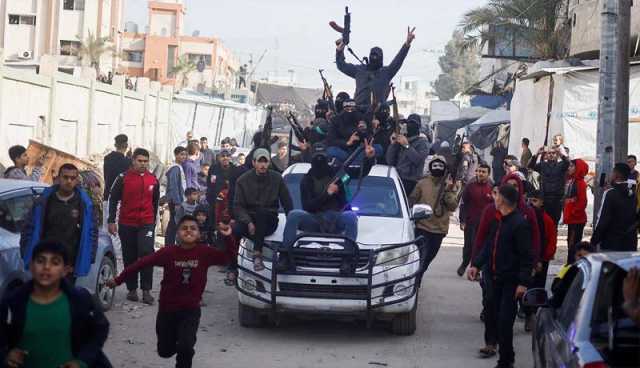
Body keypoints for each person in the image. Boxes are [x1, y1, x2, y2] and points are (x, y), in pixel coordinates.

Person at [106, 215, 229, 368]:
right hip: (167, 310)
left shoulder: (205, 253)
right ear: (177, 233)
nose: (188, 231)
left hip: (190, 310)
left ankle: (185, 352)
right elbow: (141, 264)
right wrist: (118, 280)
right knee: (164, 351)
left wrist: (229, 238)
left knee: (186, 347)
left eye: (193, 228)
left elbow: (227, 258)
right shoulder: (168, 253)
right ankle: (179, 346)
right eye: (184, 228)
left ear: (199, 234)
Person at [1, 241, 111, 368]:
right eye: (40, 261)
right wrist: (6, 354)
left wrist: (82, 361)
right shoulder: (13, 303)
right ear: (31, 266)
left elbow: (100, 329)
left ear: (65, 270)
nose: (46, 267)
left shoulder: (80, 301)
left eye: (55, 262)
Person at [281, 143, 376, 273]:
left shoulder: (338, 174)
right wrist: (328, 193)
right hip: (314, 219)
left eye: (323, 160)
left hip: (336, 218)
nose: (321, 165)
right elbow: (308, 206)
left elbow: (358, 173)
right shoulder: (306, 180)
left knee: (351, 217)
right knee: (293, 214)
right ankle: (285, 256)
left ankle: (347, 259)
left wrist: (369, 159)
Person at [468, 184, 533, 368]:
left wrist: (523, 282)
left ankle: (506, 360)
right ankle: (491, 344)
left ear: (503, 199)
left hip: (511, 282)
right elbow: (489, 246)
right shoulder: (499, 221)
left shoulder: (519, 224)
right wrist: (476, 265)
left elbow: (526, 257)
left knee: (505, 322)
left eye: (496, 196)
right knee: (491, 313)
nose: (493, 198)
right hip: (493, 277)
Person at [20, 164, 99, 283]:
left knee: (64, 298)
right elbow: (29, 228)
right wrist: (26, 251)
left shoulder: (84, 204)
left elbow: (92, 231)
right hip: (46, 261)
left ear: (77, 180)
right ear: (58, 178)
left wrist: (89, 257)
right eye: (65, 177)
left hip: (69, 264)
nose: (69, 181)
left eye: (72, 178)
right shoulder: (44, 201)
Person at [107, 148, 160, 305]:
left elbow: (155, 201)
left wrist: (153, 221)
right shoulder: (123, 178)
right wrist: (111, 220)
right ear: (133, 161)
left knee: (146, 253)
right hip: (127, 223)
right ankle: (132, 290)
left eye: (145, 161)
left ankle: (146, 290)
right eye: (140, 161)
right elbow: (113, 199)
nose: (143, 164)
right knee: (129, 256)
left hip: (146, 223)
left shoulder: (153, 180)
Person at [233, 149, 293, 271]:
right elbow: (238, 206)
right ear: (254, 163)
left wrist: (293, 222)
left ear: (269, 163)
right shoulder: (243, 180)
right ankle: (232, 266)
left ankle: (257, 255)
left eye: (265, 162)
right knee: (234, 230)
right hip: (249, 220)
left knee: (262, 212)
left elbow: (287, 203)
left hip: (269, 220)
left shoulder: (277, 178)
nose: (263, 165)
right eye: (260, 162)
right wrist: (248, 222)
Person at [335, 27, 415, 111]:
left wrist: (407, 44)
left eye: (376, 56)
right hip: (358, 112)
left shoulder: (386, 72)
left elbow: (398, 60)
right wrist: (340, 49)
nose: (374, 58)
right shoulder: (360, 70)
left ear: (381, 58)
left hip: (377, 113)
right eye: (372, 55)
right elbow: (341, 65)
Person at [409, 155, 460, 274]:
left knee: (428, 259)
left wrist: (448, 190)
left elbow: (452, 206)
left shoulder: (449, 185)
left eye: (441, 166)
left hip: (439, 229)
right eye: (435, 165)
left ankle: (419, 275)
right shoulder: (422, 183)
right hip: (422, 227)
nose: (438, 168)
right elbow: (412, 201)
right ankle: (416, 280)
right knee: (420, 257)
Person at [525, 190, 557, 332]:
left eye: (535, 201)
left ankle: (532, 314)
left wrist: (544, 258)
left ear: (542, 202)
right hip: (527, 258)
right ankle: (527, 311)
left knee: (537, 288)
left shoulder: (547, 220)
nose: (531, 204)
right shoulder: (526, 217)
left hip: (541, 260)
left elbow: (551, 241)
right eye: (530, 200)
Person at [591, 163, 638, 252]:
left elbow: (602, 220)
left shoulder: (610, 194)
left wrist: (593, 241)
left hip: (611, 243)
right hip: (630, 242)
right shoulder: (633, 194)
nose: (611, 175)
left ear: (617, 175)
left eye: (613, 172)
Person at [457, 164, 493, 277]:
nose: (480, 174)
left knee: (480, 246)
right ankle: (464, 263)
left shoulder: (492, 188)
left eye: (483, 172)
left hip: (485, 224)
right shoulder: (470, 186)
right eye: (479, 171)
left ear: (488, 174)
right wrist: (462, 220)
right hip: (471, 222)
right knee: (468, 245)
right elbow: (463, 204)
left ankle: (475, 269)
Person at [386, 117, 430, 195]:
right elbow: (389, 160)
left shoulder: (423, 142)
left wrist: (406, 146)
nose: (409, 126)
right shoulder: (401, 139)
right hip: (397, 178)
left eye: (412, 124)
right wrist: (393, 144)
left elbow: (418, 160)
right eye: (408, 124)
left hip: (412, 181)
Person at [528, 146, 570, 224]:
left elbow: (568, 163)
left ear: (557, 154)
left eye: (553, 153)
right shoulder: (542, 165)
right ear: (546, 155)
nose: (551, 155)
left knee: (554, 223)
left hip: (557, 200)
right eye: (549, 153)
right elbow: (530, 166)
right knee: (544, 223)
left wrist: (561, 154)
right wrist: (537, 154)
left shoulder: (561, 165)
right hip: (545, 199)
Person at [563, 159, 588, 264]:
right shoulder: (571, 180)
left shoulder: (580, 183)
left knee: (573, 244)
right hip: (571, 217)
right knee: (570, 242)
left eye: (572, 166)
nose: (569, 168)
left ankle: (572, 265)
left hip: (577, 219)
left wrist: (573, 211)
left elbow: (583, 201)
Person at [206, 149, 236, 224]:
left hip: (229, 202)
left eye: (227, 156)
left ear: (230, 157)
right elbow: (210, 184)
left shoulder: (235, 169)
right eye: (223, 156)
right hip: (215, 201)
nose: (225, 158)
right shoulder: (213, 168)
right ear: (219, 157)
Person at [165, 146, 188, 246]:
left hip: (179, 200)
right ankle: (169, 245)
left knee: (174, 224)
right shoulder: (175, 168)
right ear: (176, 155)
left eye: (185, 154)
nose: (184, 156)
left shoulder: (179, 167)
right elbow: (173, 186)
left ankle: (171, 244)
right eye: (181, 154)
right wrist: (177, 202)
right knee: (174, 224)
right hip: (176, 201)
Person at [103, 134, 131, 200]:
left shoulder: (107, 158)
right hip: (121, 198)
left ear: (115, 145)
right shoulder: (128, 162)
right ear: (126, 145)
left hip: (108, 196)